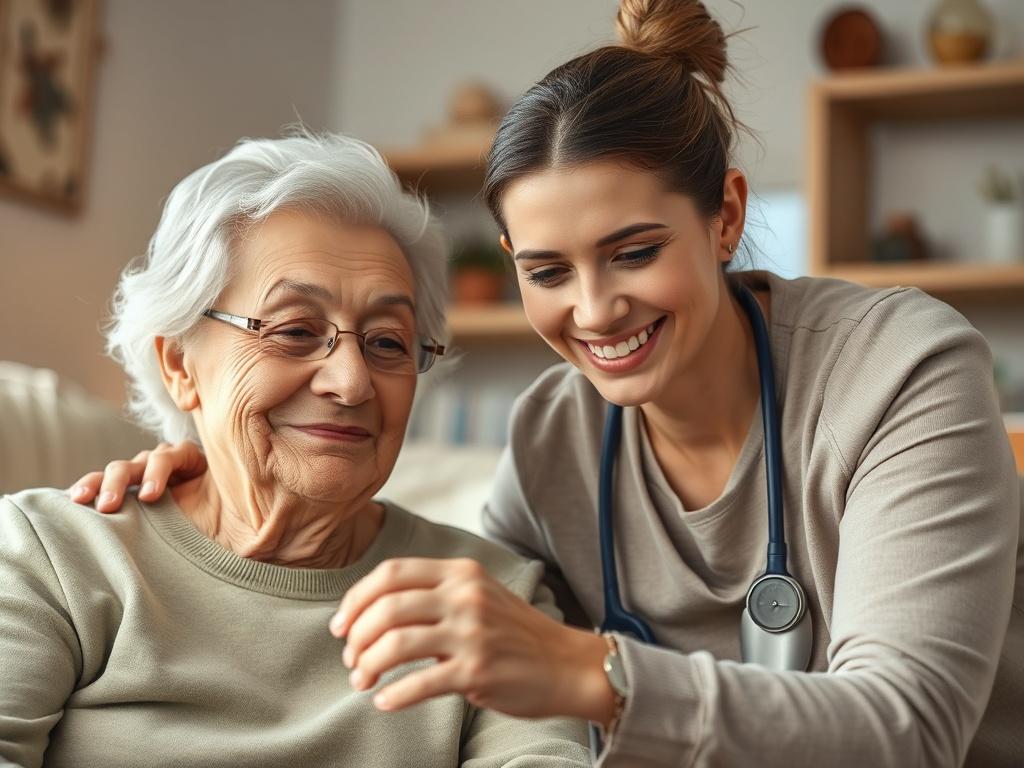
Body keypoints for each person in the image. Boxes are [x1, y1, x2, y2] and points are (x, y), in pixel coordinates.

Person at [68, 1, 1024, 766]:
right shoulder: (554, 438)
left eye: (635, 251)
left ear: (726, 216)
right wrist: (213, 468)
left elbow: (912, 730)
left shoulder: (901, 369)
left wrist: (589, 672)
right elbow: (458, 627)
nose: (597, 310)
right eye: (548, 271)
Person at [0, 132, 591, 767]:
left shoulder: (491, 600)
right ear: (179, 366)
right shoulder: (51, 555)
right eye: (295, 331)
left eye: (388, 342)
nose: (352, 381)